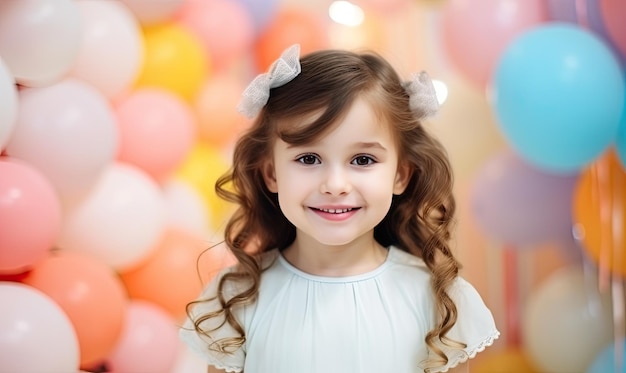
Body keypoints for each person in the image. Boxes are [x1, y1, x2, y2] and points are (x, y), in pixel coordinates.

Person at [179, 44, 499, 373]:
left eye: (362, 160)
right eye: (308, 158)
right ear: (271, 172)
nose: (335, 184)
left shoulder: (437, 300)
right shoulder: (236, 297)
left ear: (400, 175)